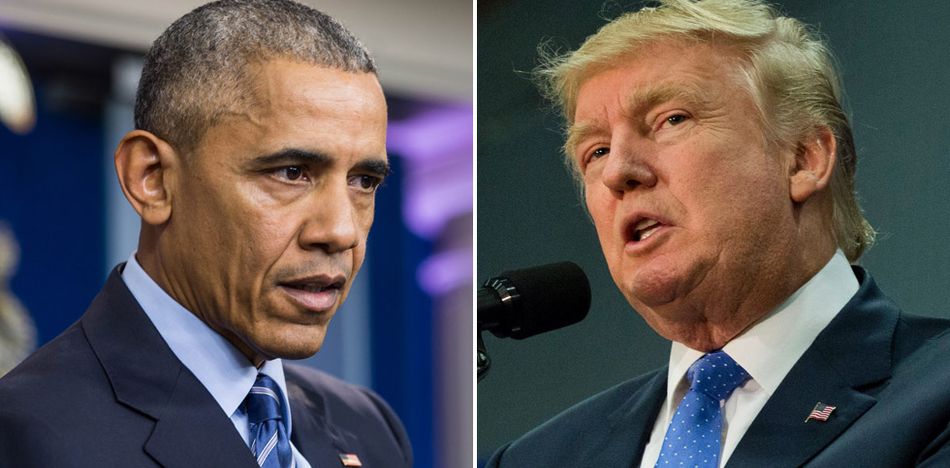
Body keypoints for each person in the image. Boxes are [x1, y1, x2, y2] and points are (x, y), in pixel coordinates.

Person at [487, 0, 950, 466]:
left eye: (672, 119)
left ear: (804, 158)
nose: (618, 172)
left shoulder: (934, 395)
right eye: (597, 150)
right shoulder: (533, 458)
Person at [0, 1, 412, 467]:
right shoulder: (22, 435)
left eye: (364, 182)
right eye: (291, 172)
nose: (340, 231)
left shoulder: (371, 428)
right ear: (151, 178)